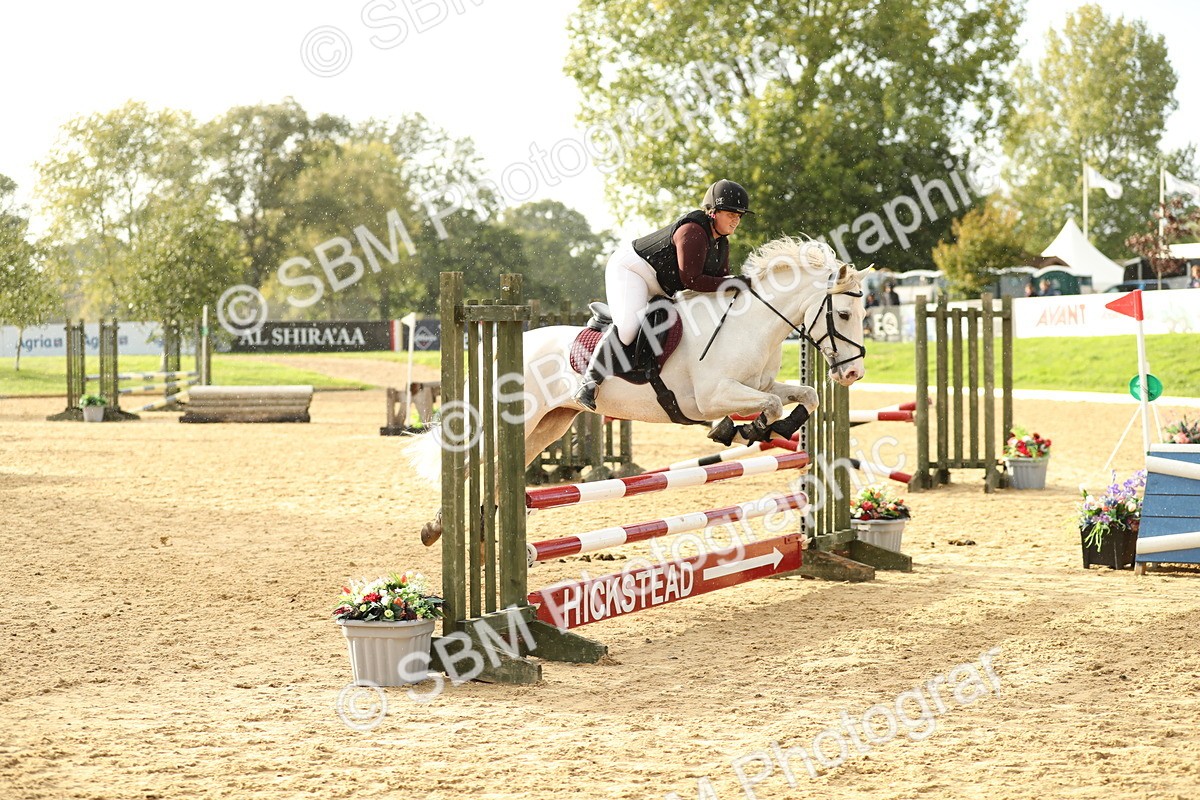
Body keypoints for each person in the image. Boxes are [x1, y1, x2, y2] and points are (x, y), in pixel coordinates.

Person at [573, 179, 753, 411]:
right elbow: (693, 280)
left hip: (662, 283)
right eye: (731, 213)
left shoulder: (721, 244)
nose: (737, 220)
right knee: (628, 329)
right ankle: (588, 382)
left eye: (740, 215)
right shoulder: (693, 231)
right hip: (633, 269)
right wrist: (735, 283)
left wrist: (736, 287)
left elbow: (719, 285)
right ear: (712, 212)